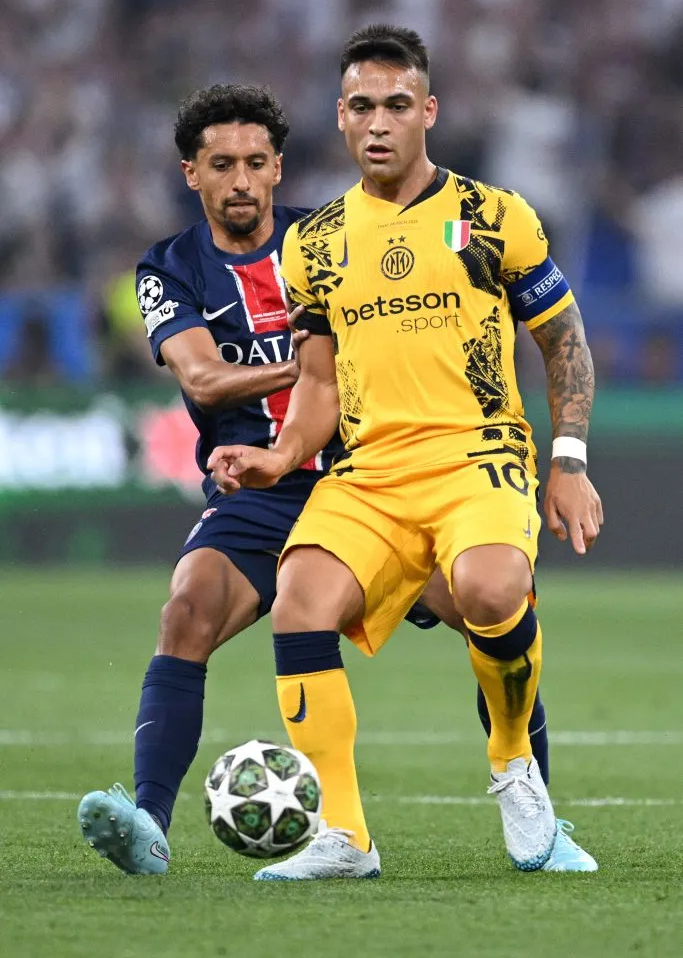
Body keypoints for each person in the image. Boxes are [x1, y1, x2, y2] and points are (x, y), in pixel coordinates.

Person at [77, 82, 594, 877]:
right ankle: (148, 820)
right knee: (185, 610)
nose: (242, 180)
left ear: (279, 168)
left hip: (364, 471)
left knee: (490, 605)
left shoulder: (327, 238)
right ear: (193, 175)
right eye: (223, 165)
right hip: (263, 484)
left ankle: (536, 808)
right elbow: (206, 382)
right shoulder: (167, 269)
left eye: (256, 163)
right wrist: (329, 359)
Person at [208, 25, 603, 881]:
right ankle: (343, 837)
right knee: (298, 601)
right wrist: (280, 457)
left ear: (427, 111)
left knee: (493, 587)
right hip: (372, 470)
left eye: (395, 105)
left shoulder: (494, 217)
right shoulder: (310, 245)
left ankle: (514, 772)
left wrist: (565, 460)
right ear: (339, 120)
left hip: (476, 454)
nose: (377, 122)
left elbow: (563, 340)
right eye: (360, 107)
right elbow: (317, 383)